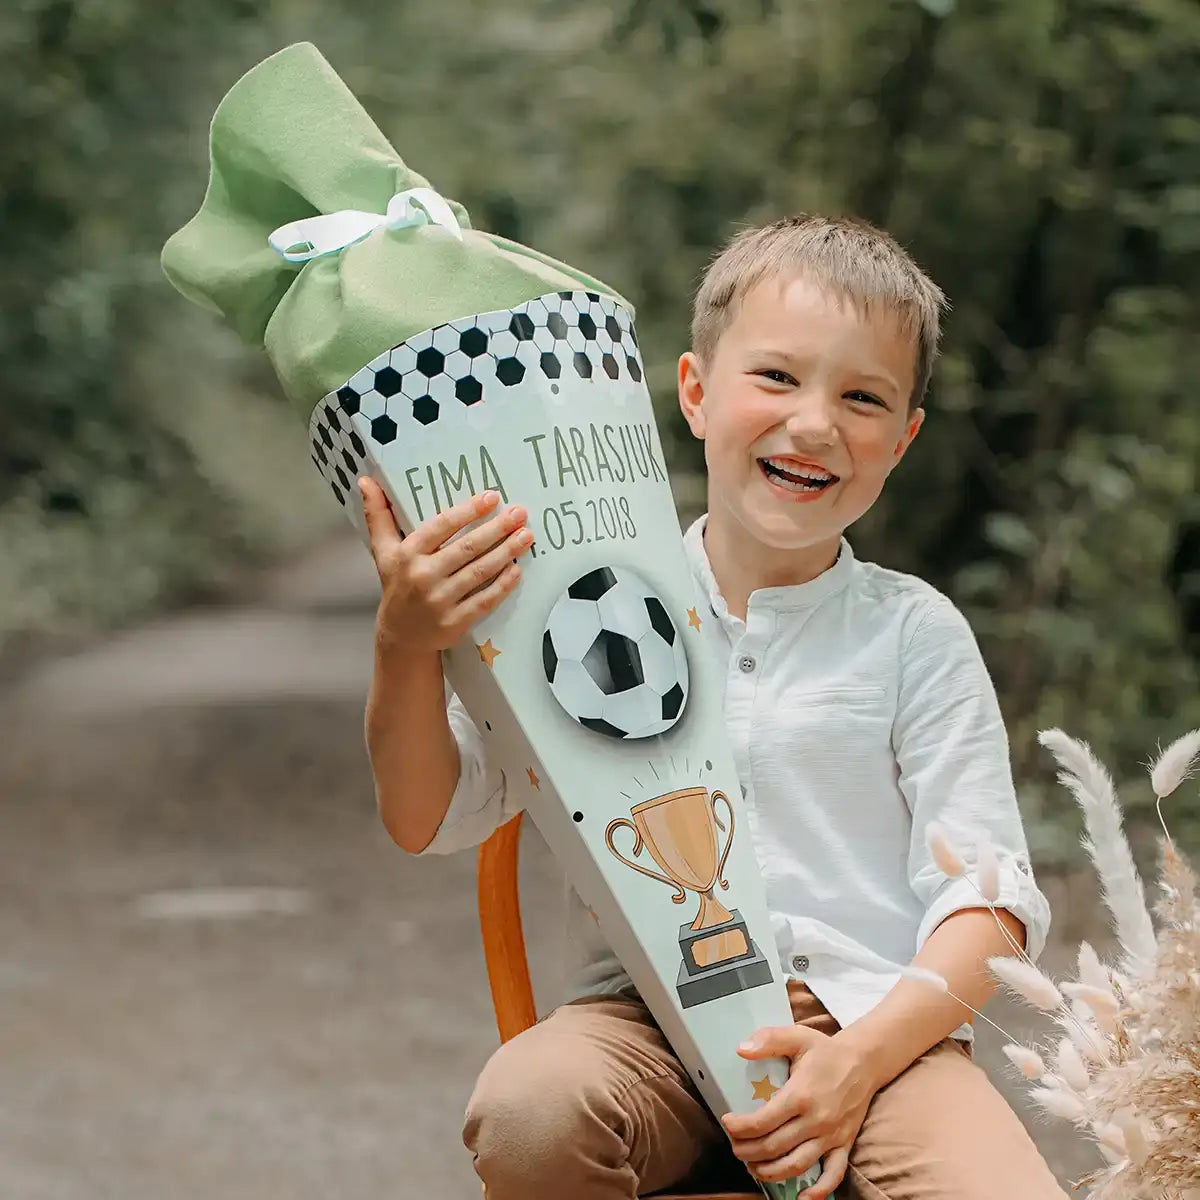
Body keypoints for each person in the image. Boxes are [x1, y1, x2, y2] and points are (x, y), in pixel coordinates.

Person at [358, 214, 1067, 1200]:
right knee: (532, 1111)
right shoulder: (581, 603)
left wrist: (856, 1067)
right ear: (695, 392)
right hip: (639, 1021)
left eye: (862, 397)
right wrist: (406, 646)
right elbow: (424, 815)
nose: (815, 423)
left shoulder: (914, 634)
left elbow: (988, 903)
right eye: (776, 378)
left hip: (877, 1032)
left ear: (902, 438)